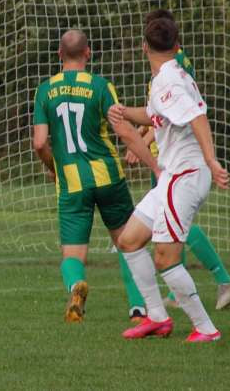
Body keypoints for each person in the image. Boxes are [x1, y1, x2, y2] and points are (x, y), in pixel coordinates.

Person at [109, 17, 230, 343]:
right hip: (172, 178)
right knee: (130, 240)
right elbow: (154, 116)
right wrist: (122, 111)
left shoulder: (169, 83)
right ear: (177, 47)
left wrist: (211, 160)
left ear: (144, 46)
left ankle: (206, 329)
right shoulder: (169, 77)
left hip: (185, 176)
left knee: (165, 257)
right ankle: (158, 318)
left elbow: (196, 116)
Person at [32, 29, 161, 324]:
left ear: (59, 55)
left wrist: (54, 169)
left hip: (72, 183)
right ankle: (139, 309)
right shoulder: (101, 86)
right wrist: (154, 165)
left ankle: (76, 286)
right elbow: (124, 129)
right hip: (108, 178)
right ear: (88, 53)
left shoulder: (44, 90)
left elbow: (39, 143)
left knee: (72, 255)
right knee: (128, 243)